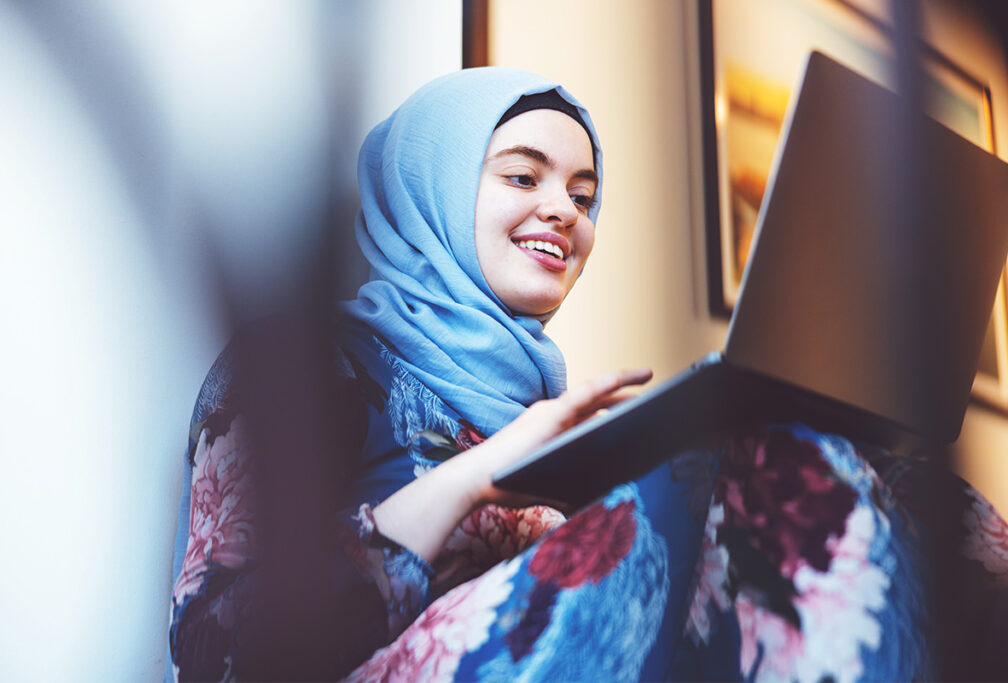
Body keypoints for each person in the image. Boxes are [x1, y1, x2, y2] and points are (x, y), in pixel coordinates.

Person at [168, 67, 1008, 681]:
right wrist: (477, 478)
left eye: (583, 192)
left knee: (908, 481)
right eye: (522, 176)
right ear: (429, 188)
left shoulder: (546, 411)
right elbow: (220, 649)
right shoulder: (309, 364)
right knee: (756, 459)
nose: (563, 210)